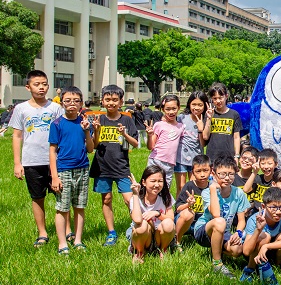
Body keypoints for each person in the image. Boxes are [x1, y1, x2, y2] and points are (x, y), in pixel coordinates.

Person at [10, 70, 65, 248]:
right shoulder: (21, 109)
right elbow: (17, 136)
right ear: (28, 87)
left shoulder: (56, 108)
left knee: (63, 196)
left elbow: (63, 132)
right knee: (37, 197)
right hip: (32, 160)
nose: (41, 88)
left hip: (55, 160)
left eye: (44, 84)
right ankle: (42, 232)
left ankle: (67, 230)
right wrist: (17, 163)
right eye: (37, 84)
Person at [90, 84, 139, 247]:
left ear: (121, 102)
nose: (111, 103)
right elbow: (94, 146)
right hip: (102, 166)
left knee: (129, 200)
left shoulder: (127, 119)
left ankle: (136, 228)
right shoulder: (99, 119)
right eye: (107, 99)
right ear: (102, 101)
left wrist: (124, 133)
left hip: (121, 166)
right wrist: (96, 130)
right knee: (106, 199)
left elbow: (136, 144)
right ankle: (111, 232)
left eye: (115, 100)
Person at [48, 86, 94, 255]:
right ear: (62, 103)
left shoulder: (84, 123)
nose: (72, 104)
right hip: (64, 170)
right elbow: (52, 151)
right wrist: (54, 176)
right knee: (62, 208)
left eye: (76, 101)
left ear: (81, 103)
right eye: (67, 101)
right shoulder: (57, 124)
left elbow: (90, 149)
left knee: (80, 206)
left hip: (82, 168)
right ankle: (62, 243)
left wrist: (87, 131)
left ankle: (78, 240)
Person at [193, 154, 250, 277]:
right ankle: (217, 264)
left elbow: (241, 220)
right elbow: (216, 214)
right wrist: (213, 190)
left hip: (224, 232)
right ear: (214, 173)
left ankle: (218, 249)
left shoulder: (238, 193)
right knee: (219, 221)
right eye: (222, 174)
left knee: (237, 250)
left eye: (231, 174)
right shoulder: (207, 192)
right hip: (203, 231)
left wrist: (238, 232)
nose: (227, 178)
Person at [240, 187, 281, 285]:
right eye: (273, 207)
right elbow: (246, 251)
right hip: (254, 251)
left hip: (269, 248)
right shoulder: (254, 219)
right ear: (263, 206)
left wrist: (266, 247)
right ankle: (250, 269)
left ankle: (277, 264)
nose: (278, 212)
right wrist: (258, 230)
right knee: (265, 236)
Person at [128, 165, 175, 263]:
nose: (157, 185)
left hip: (160, 236)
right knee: (142, 225)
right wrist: (135, 194)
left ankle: (163, 250)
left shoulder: (165, 197)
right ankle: (140, 252)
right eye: (153, 181)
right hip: (144, 236)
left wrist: (157, 213)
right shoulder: (135, 199)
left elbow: (171, 218)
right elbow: (137, 220)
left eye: (160, 181)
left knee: (168, 223)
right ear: (144, 182)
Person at [172, 154, 211, 253]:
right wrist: (188, 205)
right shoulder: (189, 186)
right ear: (192, 172)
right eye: (198, 171)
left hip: (202, 224)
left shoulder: (213, 187)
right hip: (187, 222)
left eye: (205, 170)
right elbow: (178, 209)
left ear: (211, 170)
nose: (202, 174)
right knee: (188, 213)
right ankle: (176, 242)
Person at [144, 94, 184, 187]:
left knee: (165, 189)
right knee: (151, 187)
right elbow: (150, 147)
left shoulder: (181, 126)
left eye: (174, 108)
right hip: (156, 160)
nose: (171, 112)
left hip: (170, 164)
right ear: (163, 109)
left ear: (178, 108)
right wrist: (150, 136)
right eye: (168, 109)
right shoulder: (159, 125)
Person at [174, 91, 210, 196]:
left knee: (194, 186)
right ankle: (179, 209)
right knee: (181, 187)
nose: (196, 108)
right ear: (189, 104)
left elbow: (203, 144)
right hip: (181, 158)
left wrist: (200, 129)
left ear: (205, 105)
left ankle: (194, 209)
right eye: (194, 104)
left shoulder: (206, 120)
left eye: (200, 105)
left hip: (196, 159)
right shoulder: (181, 118)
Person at [204, 82, 242, 161]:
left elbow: (236, 137)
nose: (218, 101)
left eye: (220, 97)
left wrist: (237, 155)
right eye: (215, 98)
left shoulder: (234, 114)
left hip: (229, 157)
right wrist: (209, 118)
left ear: (226, 96)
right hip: (212, 156)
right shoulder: (209, 114)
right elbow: (205, 136)